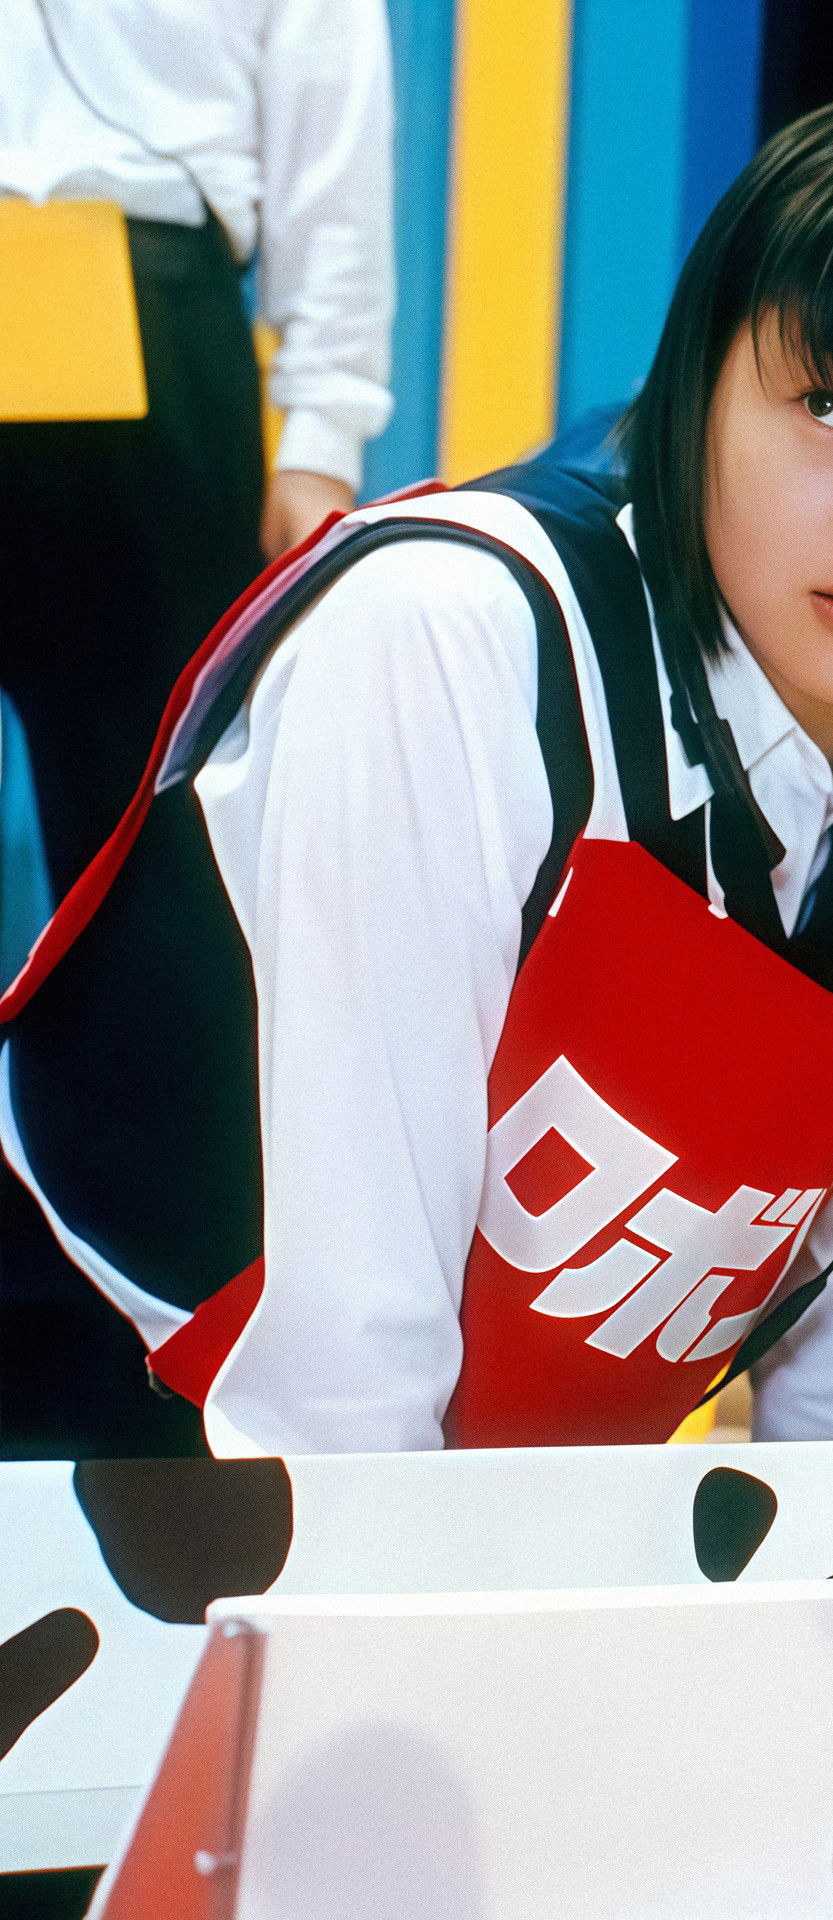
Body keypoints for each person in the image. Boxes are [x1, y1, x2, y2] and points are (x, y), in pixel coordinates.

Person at [0, 94, 833, 1455]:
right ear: (695, 401)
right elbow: (342, 1385)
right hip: (106, 1433)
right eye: (830, 405)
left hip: (495, 1491)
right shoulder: (454, 637)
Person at [0, 0, 394, 1456]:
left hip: (143, 303)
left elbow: (333, 137)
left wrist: (322, 432)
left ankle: (151, 1355)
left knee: (153, 868)